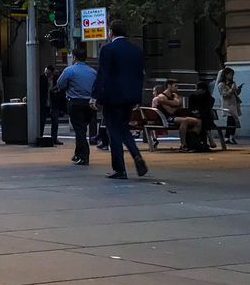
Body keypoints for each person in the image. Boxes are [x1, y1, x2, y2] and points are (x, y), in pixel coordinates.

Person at [92, 19, 148, 180]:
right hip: (130, 97)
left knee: (113, 131)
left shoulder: (108, 49)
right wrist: (137, 97)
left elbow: (103, 74)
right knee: (123, 128)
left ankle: (120, 169)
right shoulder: (136, 50)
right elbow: (139, 75)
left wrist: (96, 96)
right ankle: (136, 155)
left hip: (112, 97)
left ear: (111, 32)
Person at [57, 48, 97, 166]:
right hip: (90, 103)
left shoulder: (69, 70)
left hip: (75, 102)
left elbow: (60, 84)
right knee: (82, 128)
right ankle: (78, 154)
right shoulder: (93, 72)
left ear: (74, 57)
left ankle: (84, 156)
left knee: (79, 130)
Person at [152, 82, 202, 151]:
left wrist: (176, 104)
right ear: (169, 86)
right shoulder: (161, 97)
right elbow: (171, 111)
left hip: (175, 117)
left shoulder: (175, 95)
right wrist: (177, 105)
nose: (177, 88)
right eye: (175, 86)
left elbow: (178, 103)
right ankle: (183, 145)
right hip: (166, 119)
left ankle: (193, 143)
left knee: (198, 121)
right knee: (185, 121)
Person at [190, 80, 220, 151]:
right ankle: (210, 137)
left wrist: (199, 112)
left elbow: (207, 109)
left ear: (203, 89)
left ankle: (204, 141)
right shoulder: (192, 97)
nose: (196, 90)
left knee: (204, 117)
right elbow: (190, 108)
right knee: (204, 118)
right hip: (195, 116)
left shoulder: (210, 99)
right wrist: (195, 112)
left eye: (197, 88)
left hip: (204, 116)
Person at [216, 66, 242, 145]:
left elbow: (235, 93)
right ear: (225, 75)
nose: (231, 76)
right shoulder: (221, 84)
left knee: (234, 121)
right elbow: (225, 94)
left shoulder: (232, 83)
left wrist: (238, 90)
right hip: (228, 105)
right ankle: (227, 137)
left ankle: (231, 136)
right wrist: (232, 89)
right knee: (230, 121)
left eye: (232, 75)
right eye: (230, 74)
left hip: (234, 104)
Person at [42, 65, 64, 145]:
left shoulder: (56, 79)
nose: (47, 74)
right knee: (42, 120)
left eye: (49, 73)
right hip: (44, 102)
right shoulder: (41, 78)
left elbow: (61, 90)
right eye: (46, 73)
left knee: (55, 121)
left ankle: (54, 138)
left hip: (54, 103)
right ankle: (40, 136)